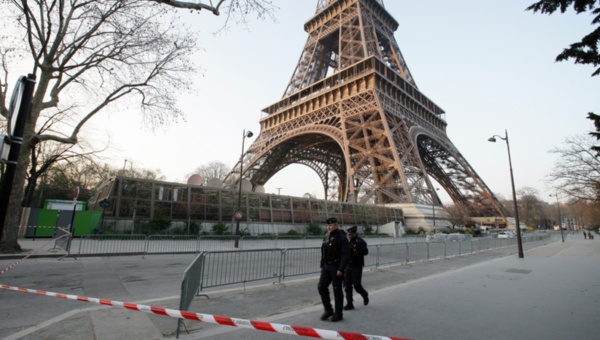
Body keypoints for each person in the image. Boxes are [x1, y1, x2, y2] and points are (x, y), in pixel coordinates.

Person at [318, 217, 349, 322]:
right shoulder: (327, 236)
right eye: (328, 225)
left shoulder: (342, 237)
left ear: (336, 226)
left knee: (337, 290)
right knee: (321, 286)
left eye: (330, 225)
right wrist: (322, 266)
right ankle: (328, 310)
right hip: (327, 266)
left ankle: (338, 313)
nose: (328, 227)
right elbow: (324, 251)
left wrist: (341, 268)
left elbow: (345, 254)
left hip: (336, 266)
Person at [343, 226, 369, 310]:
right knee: (347, 285)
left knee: (357, 285)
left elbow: (365, 252)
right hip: (348, 266)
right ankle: (349, 303)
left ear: (355, 234)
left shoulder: (361, 242)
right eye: (348, 234)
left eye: (350, 234)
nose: (349, 235)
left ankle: (365, 295)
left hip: (356, 266)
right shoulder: (347, 242)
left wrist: (358, 248)